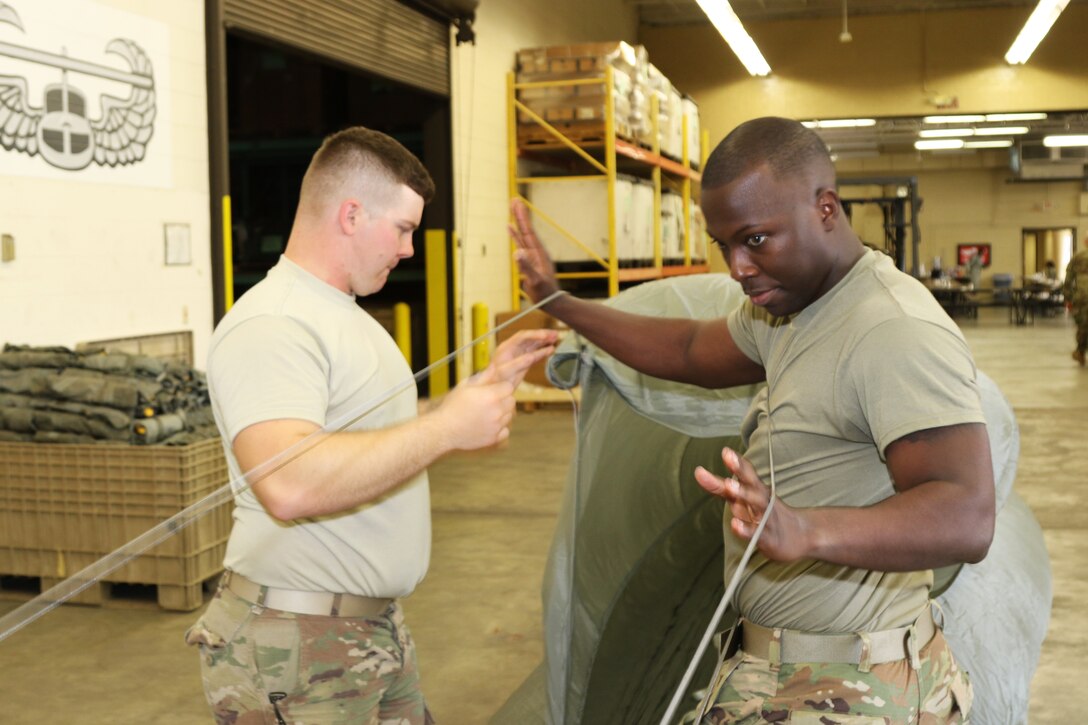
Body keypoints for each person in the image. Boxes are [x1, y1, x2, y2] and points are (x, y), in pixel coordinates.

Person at [511, 116, 994, 722]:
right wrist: (562, 305)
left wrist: (808, 531)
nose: (737, 267)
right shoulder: (793, 310)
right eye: (724, 245)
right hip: (790, 675)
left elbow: (966, 513)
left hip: (857, 690)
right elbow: (688, 349)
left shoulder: (890, 329)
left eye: (756, 239)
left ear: (824, 208)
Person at [186, 126, 557, 724]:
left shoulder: (345, 316)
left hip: (365, 631)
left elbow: (365, 437)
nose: (410, 248)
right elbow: (290, 483)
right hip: (298, 647)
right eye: (404, 228)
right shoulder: (275, 324)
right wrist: (444, 431)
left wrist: (457, 406)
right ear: (352, 214)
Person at [1065, 246, 1088, 366]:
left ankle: (1080, 352)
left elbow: (1068, 280)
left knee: (1083, 324)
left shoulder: (1078, 257)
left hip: (1082, 297)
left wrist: (1068, 298)